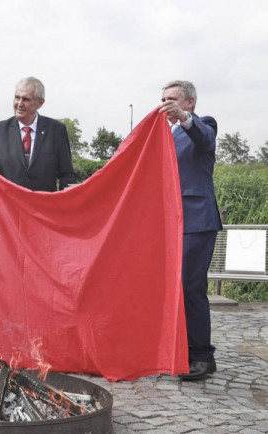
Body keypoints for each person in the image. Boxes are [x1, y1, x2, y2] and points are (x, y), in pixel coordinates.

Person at [159, 80, 221, 381]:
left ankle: (203, 356)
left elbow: (204, 139)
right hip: (171, 223)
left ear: (189, 103)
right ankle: (180, 351)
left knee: (191, 285)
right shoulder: (161, 135)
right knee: (173, 287)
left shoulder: (202, 124)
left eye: (172, 99)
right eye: (162, 99)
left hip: (198, 220)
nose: (165, 104)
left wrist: (184, 120)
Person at [0, 76, 75, 191]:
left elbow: (66, 173)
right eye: (17, 98)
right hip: (9, 205)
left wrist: (67, 201)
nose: (19, 104)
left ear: (40, 103)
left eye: (26, 99)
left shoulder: (56, 130)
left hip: (43, 205)